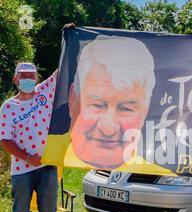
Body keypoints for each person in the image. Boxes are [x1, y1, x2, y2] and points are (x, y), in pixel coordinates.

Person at [0, 62, 59, 212]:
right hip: (22, 170)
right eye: (23, 76)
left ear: (36, 78)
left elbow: (61, 71)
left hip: (49, 166)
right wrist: (26, 157)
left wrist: (69, 37)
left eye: (31, 76)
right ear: (15, 79)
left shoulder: (44, 93)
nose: (28, 79)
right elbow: (5, 140)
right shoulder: (8, 107)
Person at [67, 35, 156, 169]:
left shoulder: (157, 169)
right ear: (73, 99)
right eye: (96, 105)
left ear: (146, 110)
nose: (108, 129)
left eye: (126, 109)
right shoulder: (45, 150)